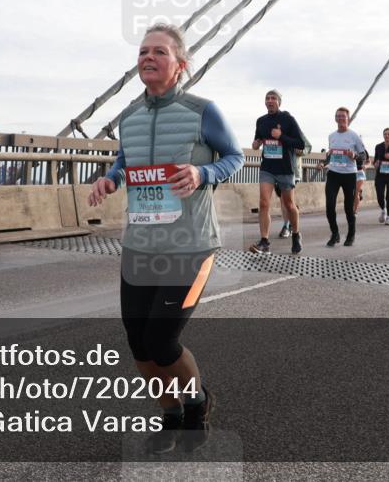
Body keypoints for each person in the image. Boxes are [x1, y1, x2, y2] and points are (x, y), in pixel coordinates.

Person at [88, 23, 244, 454]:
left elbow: (235, 156)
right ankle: (170, 413)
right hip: (140, 245)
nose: (148, 58)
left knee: (162, 340)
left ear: (180, 65)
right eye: (143, 52)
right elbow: (125, 159)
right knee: (138, 341)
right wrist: (111, 179)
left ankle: (196, 403)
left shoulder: (203, 111)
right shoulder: (129, 117)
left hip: (191, 245)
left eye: (159, 51)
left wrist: (202, 173)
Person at [250, 90, 307, 255]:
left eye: (273, 98)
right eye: (267, 98)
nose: (270, 101)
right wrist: (256, 143)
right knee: (263, 203)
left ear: (279, 102)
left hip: (285, 168)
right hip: (267, 167)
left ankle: (296, 234)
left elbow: (301, 144)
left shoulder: (288, 119)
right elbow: (258, 140)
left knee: (289, 205)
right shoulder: (261, 121)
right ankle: (264, 242)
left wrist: (281, 136)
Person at [320, 107, 366, 247]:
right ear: (335, 119)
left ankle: (351, 235)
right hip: (333, 173)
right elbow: (331, 154)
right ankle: (335, 234)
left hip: (349, 175)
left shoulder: (354, 136)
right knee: (329, 206)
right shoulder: (331, 136)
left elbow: (364, 156)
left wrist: (355, 156)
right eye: (338, 116)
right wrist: (323, 162)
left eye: (343, 116)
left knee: (348, 207)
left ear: (348, 119)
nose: (340, 118)